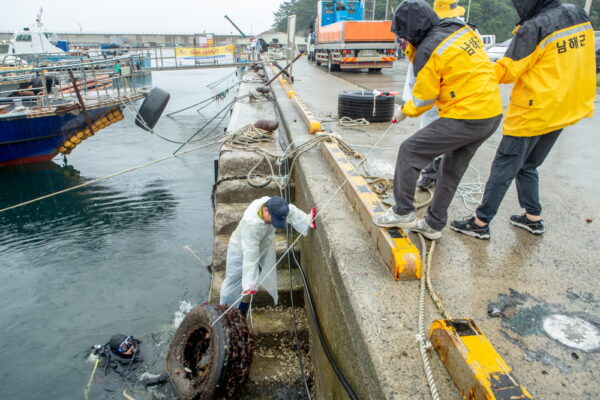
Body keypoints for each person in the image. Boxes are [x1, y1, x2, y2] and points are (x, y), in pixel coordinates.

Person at [451, 0, 595, 239]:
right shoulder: (577, 13)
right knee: (528, 165)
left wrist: (473, 69)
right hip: (564, 107)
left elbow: (507, 71)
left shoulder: (534, 28)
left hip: (533, 112)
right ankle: (532, 217)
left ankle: (480, 222)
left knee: (503, 167)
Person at [373, 0, 503, 240]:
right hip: (490, 114)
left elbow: (424, 98)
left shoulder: (429, 49)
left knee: (409, 151)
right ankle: (433, 224)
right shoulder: (457, 28)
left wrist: (403, 111)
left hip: (466, 115)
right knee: (451, 169)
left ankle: (402, 212)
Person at [402, 0, 467, 190]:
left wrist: (409, 108)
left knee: (449, 143)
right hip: (436, 96)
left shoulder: (467, 31)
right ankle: (429, 175)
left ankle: (443, 178)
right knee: (428, 135)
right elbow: (415, 75)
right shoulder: (428, 38)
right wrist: (408, 103)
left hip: (457, 99)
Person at [219, 196, 316, 313]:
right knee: (233, 283)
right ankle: (224, 311)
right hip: (239, 252)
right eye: (273, 219)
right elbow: (250, 258)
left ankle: (242, 311)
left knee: (254, 279)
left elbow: (291, 211)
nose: (274, 222)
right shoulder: (252, 225)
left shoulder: (276, 206)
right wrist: (249, 284)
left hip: (262, 246)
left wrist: (307, 220)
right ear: (265, 210)